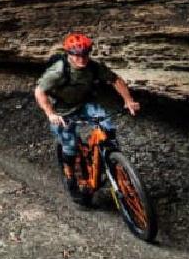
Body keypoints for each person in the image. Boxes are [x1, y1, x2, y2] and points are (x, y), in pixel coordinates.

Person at [33, 32, 141, 202]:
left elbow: (115, 80)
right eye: (77, 56)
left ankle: (111, 159)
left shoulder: (93, 67)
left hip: (85, 103)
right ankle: (70, 179)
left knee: (107, 127)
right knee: (70, 146)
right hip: (62, 110)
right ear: (69, 54)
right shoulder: (58, 71)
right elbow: (39, 91)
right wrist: (51, 114)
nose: (81, 59)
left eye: (84, 55)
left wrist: (129, 101)